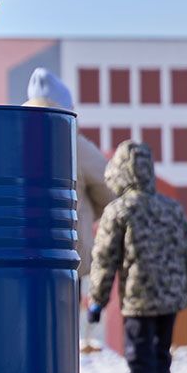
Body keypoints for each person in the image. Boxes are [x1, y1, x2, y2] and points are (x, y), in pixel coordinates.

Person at [88, 140, 187, 373]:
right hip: (170, 302)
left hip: (138, 302)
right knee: (161, 359)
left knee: (140, 361)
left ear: (119, 174)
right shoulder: (172, 208)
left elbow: (105, 260)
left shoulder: (118, 211)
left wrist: (97, 300)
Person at [22, 67, 117, 346]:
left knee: (29, 335)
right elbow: (110, 191)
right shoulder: (75, 143)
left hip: (22, 257)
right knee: (61, 341)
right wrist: (85, 212)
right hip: (66, 256)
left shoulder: (15, 136)